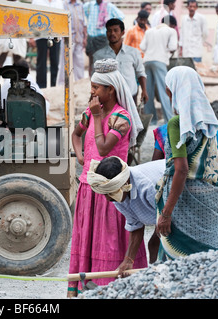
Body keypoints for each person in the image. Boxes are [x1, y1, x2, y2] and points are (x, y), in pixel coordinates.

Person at [67, 58, 146, 297]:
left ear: (110, 89)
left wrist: (98, 116)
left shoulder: (121, 119)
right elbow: (76, 134)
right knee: (88, 239)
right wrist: (80, 156)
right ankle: (83, 288)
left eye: (96, 87)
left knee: (110, 240)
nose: (91, 91)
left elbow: (102, 149)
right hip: (88, 188)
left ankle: (108, 289)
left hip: (111, 192)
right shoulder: (90, 114)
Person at [156, 66, 218, 261]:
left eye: (168, 87)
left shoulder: (176, 124)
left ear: (174, 90)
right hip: (211, 202)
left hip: (184, 202)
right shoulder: (210, 122)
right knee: (208, 266)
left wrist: (167, 213)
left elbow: (182, 170)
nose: (167, 92)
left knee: (178, 269)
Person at [153, 124, 218, 249]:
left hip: (209, 199)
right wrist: (163, 210)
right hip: (177, 200)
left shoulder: (211, 130)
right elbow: (157, 165)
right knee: (173, 243)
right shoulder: (167, 130)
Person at [87, 157, 164, 274]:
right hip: (163, 213)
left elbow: (168, 217)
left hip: (181, 199)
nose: (108, 198)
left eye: (111, 193)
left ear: (125, 183)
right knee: (154, 244)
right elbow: (135, 226)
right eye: (105, 194)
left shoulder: (147, 187)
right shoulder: (117, 196)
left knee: (158, 244)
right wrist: (128, 260)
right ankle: (155, 277)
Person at [93, 18, 148, 105]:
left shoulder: (134, 52)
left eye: (115, 30)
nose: (112, 33)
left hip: (130, 95)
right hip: (108, 99)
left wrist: (144, 91)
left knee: (130, 118)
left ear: (122, 32)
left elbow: (140, 73)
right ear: (106, 33)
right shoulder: (98, 56)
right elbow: (95, 79)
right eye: (109, 31)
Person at [140, 15, 177, 125]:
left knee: (148, 91)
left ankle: (151, 120)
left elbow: (142, 47)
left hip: (147, 61)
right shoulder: (171, 31)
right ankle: (169, 119)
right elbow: (172, 47)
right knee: (164, 91)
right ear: (172, 25)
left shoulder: (149, 31)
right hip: (160, 61)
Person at [83, 0, 124, 76]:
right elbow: (83, 15)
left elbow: (121, 16)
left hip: (103, 38)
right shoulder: (89, 5)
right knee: (91, 60)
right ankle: (92, 81)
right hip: (91, 38)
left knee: (103, 60)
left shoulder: (109, 6)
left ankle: (103, 81)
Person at [30, 0, 64, 88]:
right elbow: (31, 17)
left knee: (55, 61)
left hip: (56, 35)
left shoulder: (59, 2)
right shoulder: (37, 1)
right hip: (40, 35)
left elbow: (62, 18)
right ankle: (41, 86)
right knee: (41, 62)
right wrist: (31, 37)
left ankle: (54, 85)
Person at [57, 0, 87, 85]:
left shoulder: (80, 4)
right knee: (64, 63)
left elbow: (84, 22)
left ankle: (80, 84)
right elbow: (61, 20)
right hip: (67, 38)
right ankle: (62, 85)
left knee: (79, 63)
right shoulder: (64, 4)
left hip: (79, 38)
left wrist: (85, 37)